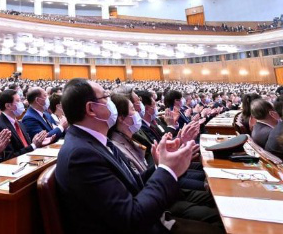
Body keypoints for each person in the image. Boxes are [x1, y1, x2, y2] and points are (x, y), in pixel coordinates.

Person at [55, 78, 221, 234]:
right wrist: (167, 170)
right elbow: (130, 219)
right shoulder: (81, 155)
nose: (111, 102)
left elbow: (133, 184)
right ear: (91, 109)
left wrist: (159, 165)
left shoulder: (94, 142)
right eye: (105, 97)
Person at [0, 89, 50, 159]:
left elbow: (26, 145)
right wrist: (33, 145)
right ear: (8, 106)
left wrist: (36, 141)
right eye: (18, 101)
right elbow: (9, 156)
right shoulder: (0, 126)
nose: (21, 103)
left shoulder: (18, 123)